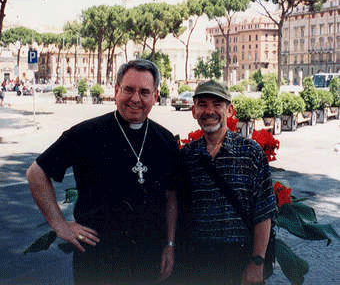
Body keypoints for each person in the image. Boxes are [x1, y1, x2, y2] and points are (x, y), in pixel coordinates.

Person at [26, 59, 179, 285]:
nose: (135, 99)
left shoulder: (165, 139)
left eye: (144, 92)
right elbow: (36, 173)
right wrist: (59, 224)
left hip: (148, 257)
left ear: (155, 97)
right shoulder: (87, 133)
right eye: (128, 89)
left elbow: (171, 196)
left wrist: (170, 244)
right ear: (116, 90)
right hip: (98, 258)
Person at [179, 80, 277, 285]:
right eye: (202, 104)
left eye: (217, 104)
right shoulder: (186, 156)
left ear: (229, 110)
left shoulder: (250, 153)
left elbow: (264, 211)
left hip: (240, 260)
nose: (209, 111)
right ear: (194, 111)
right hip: (196, 262)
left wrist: (257, 262)